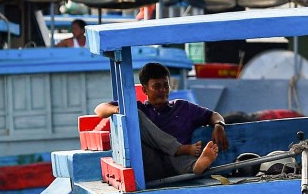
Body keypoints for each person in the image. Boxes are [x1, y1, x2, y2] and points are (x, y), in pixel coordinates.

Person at [95, 61, 227, 181]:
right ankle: (179, 149)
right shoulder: (140, 109)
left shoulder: (182, 107)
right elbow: (99, 110)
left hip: (180, 166)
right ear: (145, 90)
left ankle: (195, 165)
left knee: (179, 157)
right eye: (157, 86)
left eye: (165, 85)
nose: (162, 90)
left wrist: (219, 125)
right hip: (151, 167)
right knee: (134, 114)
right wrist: (119, 109)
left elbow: (213, 115)